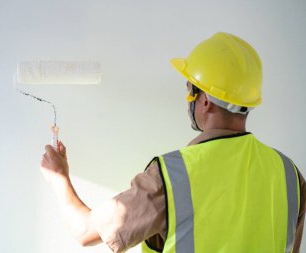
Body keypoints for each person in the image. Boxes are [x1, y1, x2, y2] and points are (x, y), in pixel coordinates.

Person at [40, 32, 305, 253]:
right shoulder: (290, 175)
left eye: (189, 89)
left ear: (205, 101)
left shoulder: (171, 177)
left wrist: (58, 177)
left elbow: (85, 230)